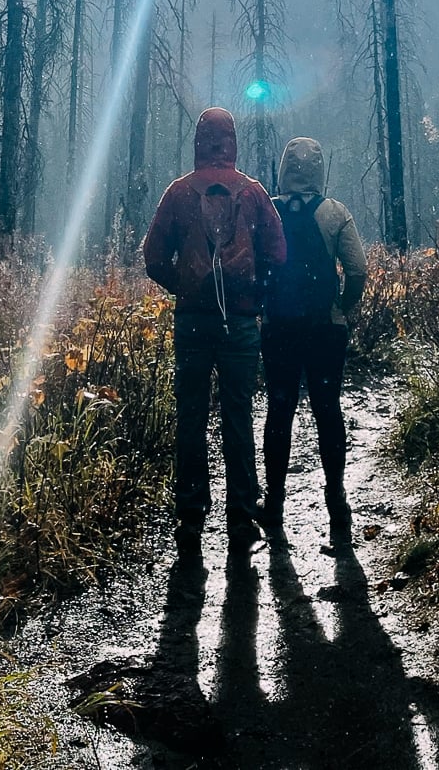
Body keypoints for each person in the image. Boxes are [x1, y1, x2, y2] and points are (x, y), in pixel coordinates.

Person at [143, 107, 286, 554]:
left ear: (199, 141)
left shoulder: (179, 193)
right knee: (238, 416)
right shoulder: (254, 193)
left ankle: (190, 517)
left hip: (192, 323)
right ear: (233, 142)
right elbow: (278, 256)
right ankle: (241, 519)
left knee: (191, 416)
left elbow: (152, 258)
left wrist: (184, 288)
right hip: (240, 325)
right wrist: (253, 296)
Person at [260, 136, 368, 538]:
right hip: (326, 329)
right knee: (327, 410)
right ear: (319, 169)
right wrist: (342, 306)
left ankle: (273, 505)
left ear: (285, 167)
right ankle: (337, 502)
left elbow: (254, 267)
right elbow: (357, 269)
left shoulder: (267, 212)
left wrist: (263, 307)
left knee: (279, 411)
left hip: (278, 330)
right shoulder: (335, 212)